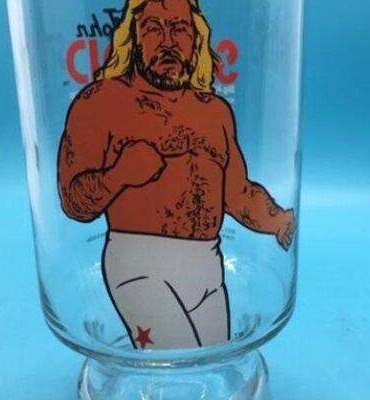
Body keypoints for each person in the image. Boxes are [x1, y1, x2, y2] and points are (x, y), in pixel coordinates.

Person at [57, 0, 295, 350]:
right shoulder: (101, 101)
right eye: (154, 28)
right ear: (133, 37)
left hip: (208, 264)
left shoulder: (215, 112)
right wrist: (119, 175)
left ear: (196, 38)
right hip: (138, 265)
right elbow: (72, 200)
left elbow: (237, 194)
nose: (168, 42)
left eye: (179, 29)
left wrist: (277, 220)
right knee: (182, 354)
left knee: (214, 355)